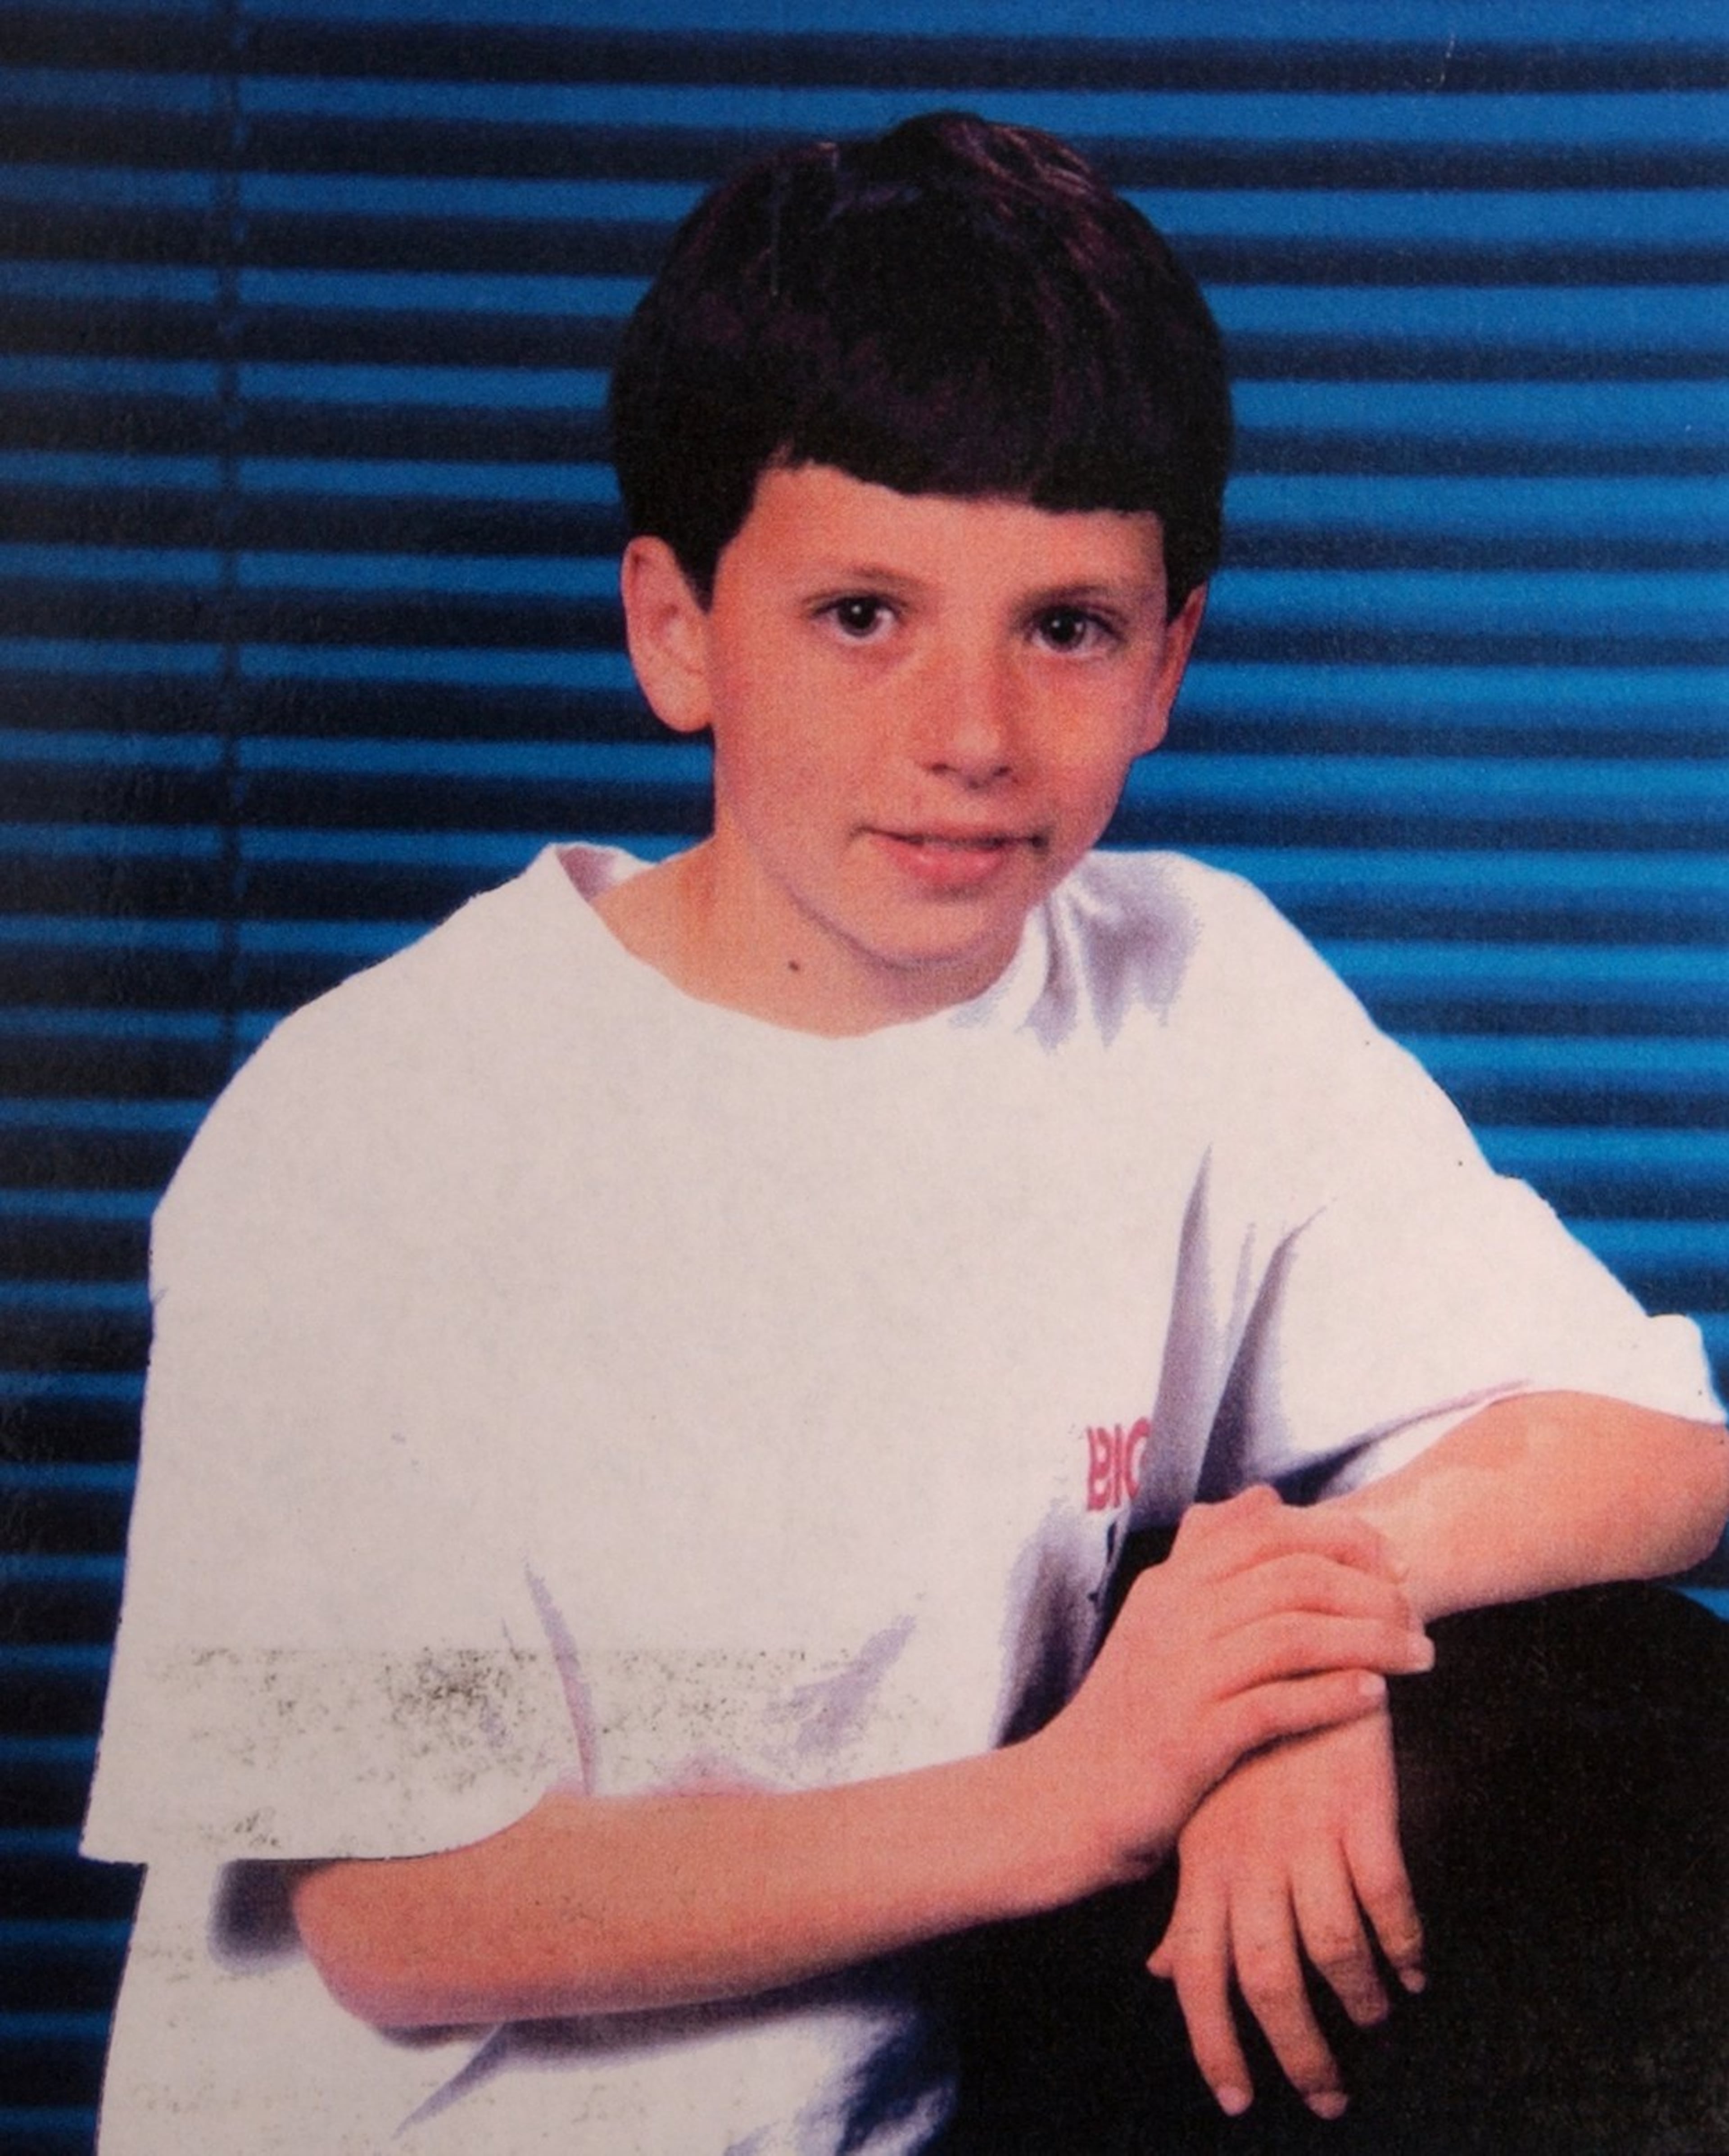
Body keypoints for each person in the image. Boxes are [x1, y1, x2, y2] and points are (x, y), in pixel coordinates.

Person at [81, 112, 1728, 2154]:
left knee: (1624, 1697)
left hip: (941, 2122)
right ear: (677, 631)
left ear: (1169, 661)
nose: (971, 736)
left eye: (1067, 627)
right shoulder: (378, 1124)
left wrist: (1296, 1645)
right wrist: (1092, 1789)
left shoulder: (1185, 986)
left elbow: (1657, 1447)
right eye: (864, 616)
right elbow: (403, 1913)